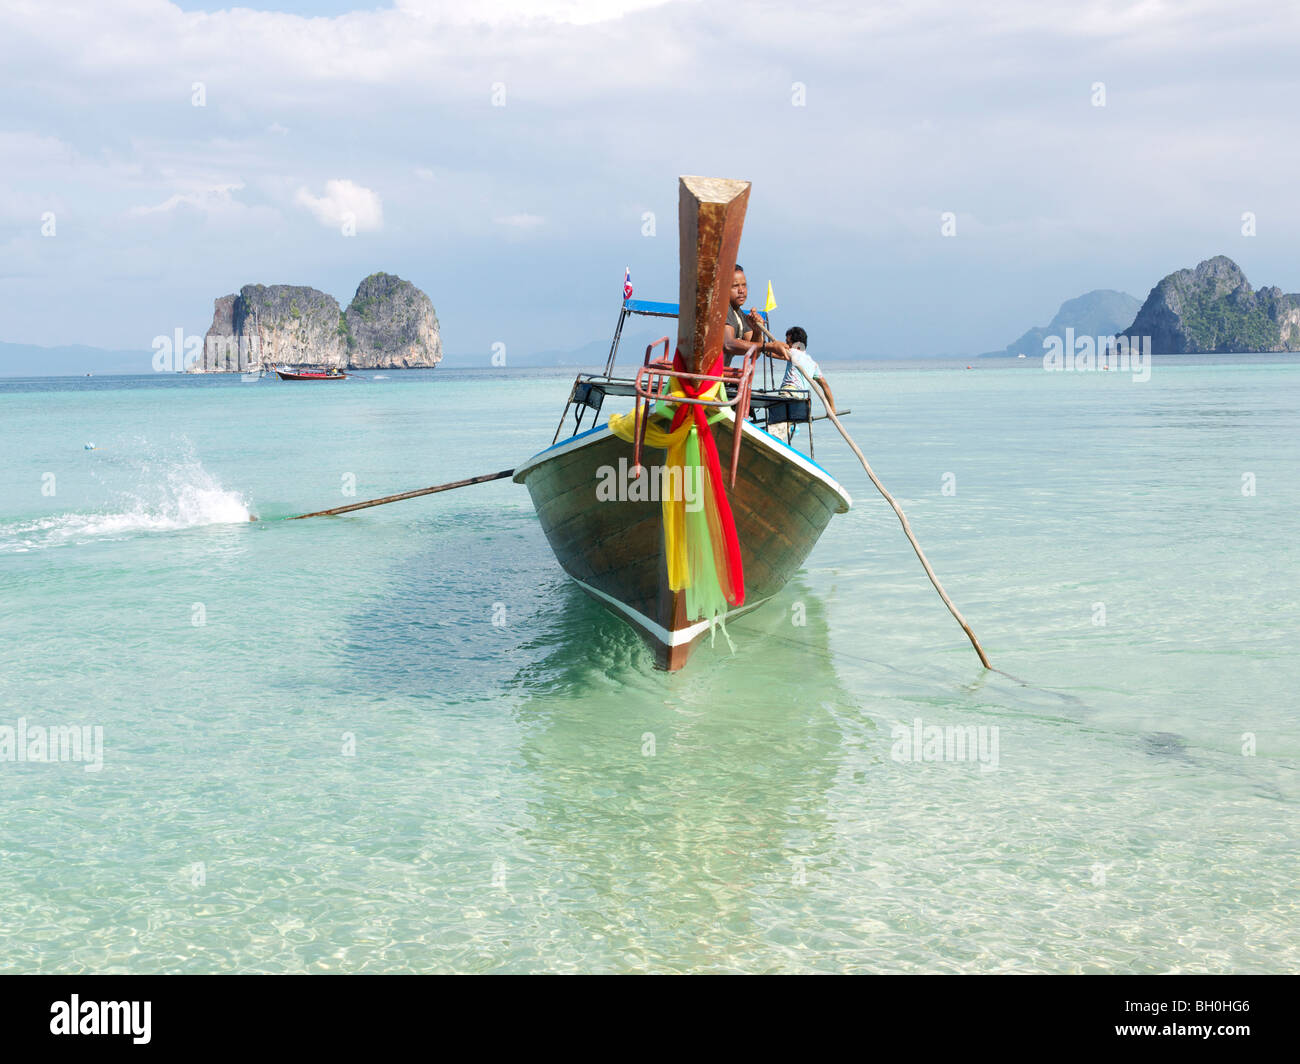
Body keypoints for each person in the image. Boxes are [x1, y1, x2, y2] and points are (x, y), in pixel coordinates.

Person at [767, 326, 835, 444]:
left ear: (796, 345)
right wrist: (832, 408)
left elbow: (768, 352)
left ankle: (774, 438)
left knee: (774, 432)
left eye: (788, 342)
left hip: (788, 395)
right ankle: (788, 428)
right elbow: (825, 386)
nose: (786, 345)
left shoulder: (793, 352)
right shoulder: (812, 363)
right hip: (801, 402)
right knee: (781, 427)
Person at [723, 265, 786, 366]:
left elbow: (754, 354)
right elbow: (728, 344)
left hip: (719, 378)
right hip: (708, 378)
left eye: (744, 285)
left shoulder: (740, 315)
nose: (741, 290)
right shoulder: (723, 308)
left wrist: (757, 331)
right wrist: (768, 346)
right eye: (735, 286)